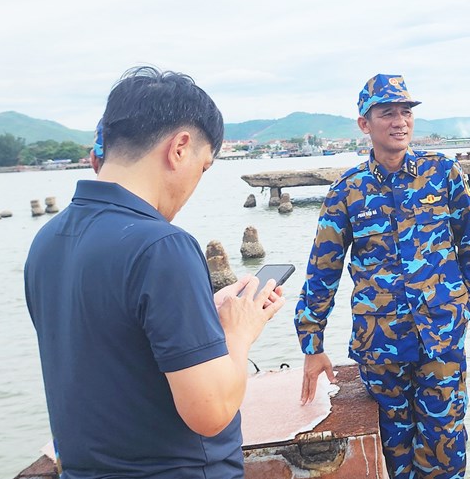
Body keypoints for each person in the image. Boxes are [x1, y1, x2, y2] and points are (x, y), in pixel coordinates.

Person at [25, 66, 286, 479]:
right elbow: (211, 412)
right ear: (180, 147)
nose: (195, 184)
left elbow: (114, 347)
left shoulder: (49, 239)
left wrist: (201, 311)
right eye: (203, 168)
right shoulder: (163, 246)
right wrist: (239, 331)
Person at [296, 74, 470, 479]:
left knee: (445, 448)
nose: (400, 121)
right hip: (379, 345)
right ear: (365, 124)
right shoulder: (347, 191)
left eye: (406, 112)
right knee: (391, 452)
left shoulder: (444, 174)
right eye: (388, 113)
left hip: (441, 340)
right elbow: (322, 272)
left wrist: (459, 310)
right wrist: (312, 344)